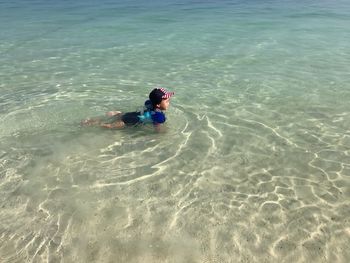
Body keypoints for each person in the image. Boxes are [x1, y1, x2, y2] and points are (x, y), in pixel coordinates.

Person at [81, 87, 174, 131]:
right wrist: (161, 133)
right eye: (167, 101)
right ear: (158, 105)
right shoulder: (159, 117)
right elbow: (157, 128)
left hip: (129, 114)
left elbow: (147, 103)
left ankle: (93, 120)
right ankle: (95, 124)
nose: (169, 103)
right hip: (130, 121)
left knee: (119, 115)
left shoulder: (149, 103)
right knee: (109, 126)